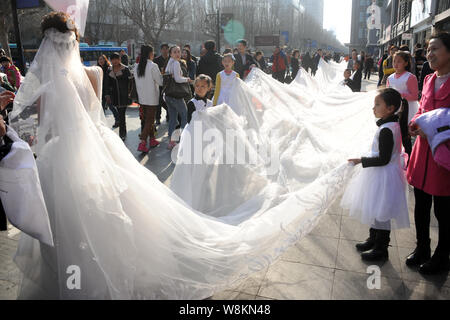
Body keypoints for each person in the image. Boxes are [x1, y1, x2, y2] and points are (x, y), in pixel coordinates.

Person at [341, 88, 410, 261]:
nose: (374, 108)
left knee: (382, 212)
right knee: (376, 208)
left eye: (378, 104)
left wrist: (361, 160)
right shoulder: (390, 125)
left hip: (384, 175)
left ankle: (381, 248)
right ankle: (373, 239)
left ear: (390, 108)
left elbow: (384, 159)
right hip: (382, 174)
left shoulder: (387, 129)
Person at [405, 32, 450, 275]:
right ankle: (422, 247)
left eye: (435, 49)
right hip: (422, 154)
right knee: (420, 204)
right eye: (428, 50)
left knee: (443, 211)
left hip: (443, 157)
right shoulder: (430, 79)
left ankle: (442, 256)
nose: (429, 54)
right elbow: (422, 109)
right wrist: (415, 123)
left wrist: (436, 128)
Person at [386, 51, 419, 159]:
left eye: (399, 61)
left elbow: (414, 96)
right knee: (394, 135)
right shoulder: (390, 78)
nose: (395, 64)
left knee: (405, 136)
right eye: (394, 61)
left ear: (405, 63)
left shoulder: (410, 77)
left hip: (408, 111)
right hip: (394, 111)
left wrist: (400, 94)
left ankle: (409, 158)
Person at [134, 44, 163, 153]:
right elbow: (160, 81)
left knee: (147, 119)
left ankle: (152, 139)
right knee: (150, 120)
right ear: (150, 53)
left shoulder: (137, 66)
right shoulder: (153, 66)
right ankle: (142, 142)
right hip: (152, 97)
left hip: (142, 97)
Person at [164, 45, 192, 150]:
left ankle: (171, 141)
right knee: (184, 115)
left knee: (173, 118)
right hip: (176, 95)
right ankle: (183, 139)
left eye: (179, 52)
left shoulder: (169, 62)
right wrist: (187, 79)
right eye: (175, 52)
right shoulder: (175, 63)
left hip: (168, 95)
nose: (177, 54)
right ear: (171, 54)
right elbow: (178, 79)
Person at [105, 52, 133, 141]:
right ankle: (122, 132)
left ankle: (122, 134)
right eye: (112, 60)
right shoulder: (109, 70)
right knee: (120, 115)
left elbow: (130, 83)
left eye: (116, 59)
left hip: (124, 96)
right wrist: (107, 94)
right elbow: (106, 84)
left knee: (122, 115)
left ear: (119, 60)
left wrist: (130, 93)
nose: (114, 61)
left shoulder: (125, 69)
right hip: (115, 96)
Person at [97, 54, 119, 126]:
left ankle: (118, 120)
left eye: (102, 59)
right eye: (99, 59)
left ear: (105, 60)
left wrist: (108, 92)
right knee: (102, 107)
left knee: (111, 106)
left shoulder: (109, 68)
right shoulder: (98, 68)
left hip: (108, 91)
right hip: (101, 90)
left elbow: (109, 81)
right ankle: (101, 122)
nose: (100, 61)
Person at [154, 43, 170, 125]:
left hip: (169, 84)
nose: (165, 50)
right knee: (159, 101)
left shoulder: (171, 60)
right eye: (163, 49)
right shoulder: (156, 60)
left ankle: (168, 115)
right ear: (161, 50)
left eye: (166, 49)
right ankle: (157, 117)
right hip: (159, 83)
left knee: (168, 100)